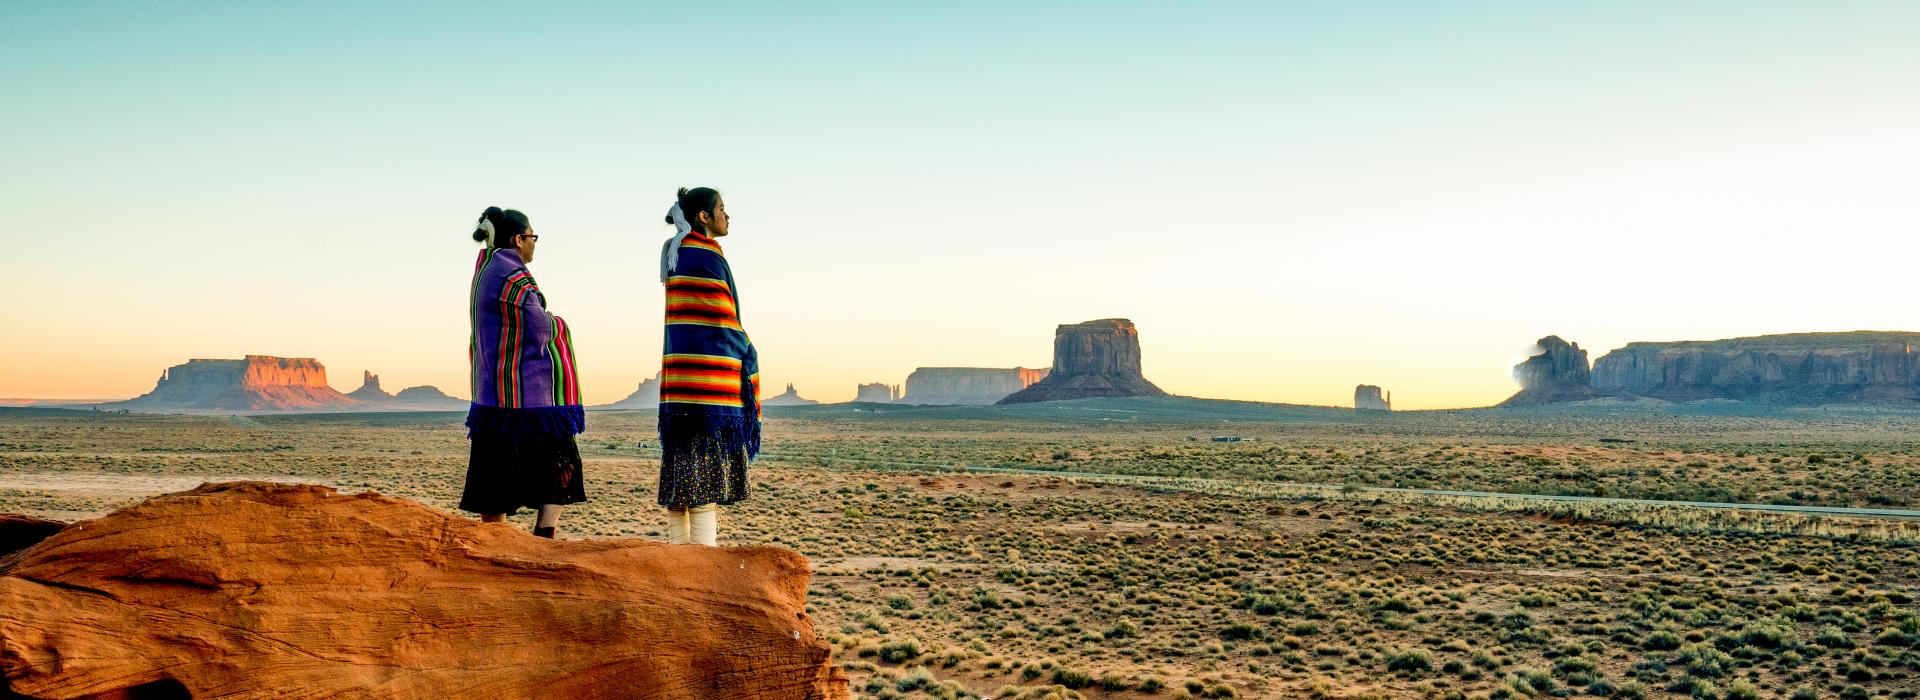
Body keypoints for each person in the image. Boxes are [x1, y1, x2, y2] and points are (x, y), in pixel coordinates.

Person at [460, 206, 587, 538]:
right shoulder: (512, 274)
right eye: (532, 237)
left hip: (492, 392)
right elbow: (538, 327)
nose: (533, 244)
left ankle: (495, 540)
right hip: (525, 394)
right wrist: (559, 323)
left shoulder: (486, 268)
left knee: (495, 470)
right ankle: (544, 534)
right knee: (561, 460)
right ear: (518, 239)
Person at [656, 187, 759, 545]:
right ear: (703, 216)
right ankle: (702, 567)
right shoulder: (704, 256)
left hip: (680, 386)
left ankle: (679, 567)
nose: (727, 216)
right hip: (708, 390)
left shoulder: (677, 253)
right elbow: (719, 319)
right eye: (721, 208)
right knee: (702, 485)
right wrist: (746, 348)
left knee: (682, 475)